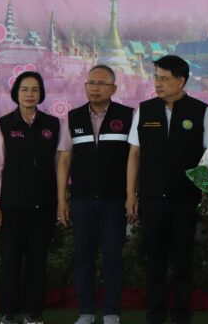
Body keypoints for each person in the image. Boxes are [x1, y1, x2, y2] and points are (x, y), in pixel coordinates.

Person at [126, 55, 208, 324]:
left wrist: (206, 193)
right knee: (155, 259)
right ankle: (156, 314)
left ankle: (182, 314)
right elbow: (134, 155)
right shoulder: (144, 110)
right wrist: (131, 194)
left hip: (186, 199)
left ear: (181, 81)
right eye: (156, 78)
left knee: (183, 260)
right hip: (151, 199)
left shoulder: (200, 110)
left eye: (164, 79)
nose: (158, 84)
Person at [57, 65, 135, 324]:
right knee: (83, 257)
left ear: (113, 88)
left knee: (113, 257)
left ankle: (111, 311)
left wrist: (131, 195)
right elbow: (64, 161)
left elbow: (135, 159)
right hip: (81, 200)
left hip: (115, 200)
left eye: (102, 84)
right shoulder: (73, 117)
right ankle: (87, 311)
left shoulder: (128, 116)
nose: (95, 88)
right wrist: (61, 200)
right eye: (91, 83)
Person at [0, 70, 65, 324]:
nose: (30, 94)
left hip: (44, 207)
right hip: (11, 207)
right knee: (10, 261)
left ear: (41, 94)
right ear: (16, 94)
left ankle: (33, 313)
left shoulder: (53, 125)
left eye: (34, 89)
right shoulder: (3, 125)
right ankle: (9, 313)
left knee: (37, 262)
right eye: (24, 89)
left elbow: (60, 166)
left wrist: (61, 202)